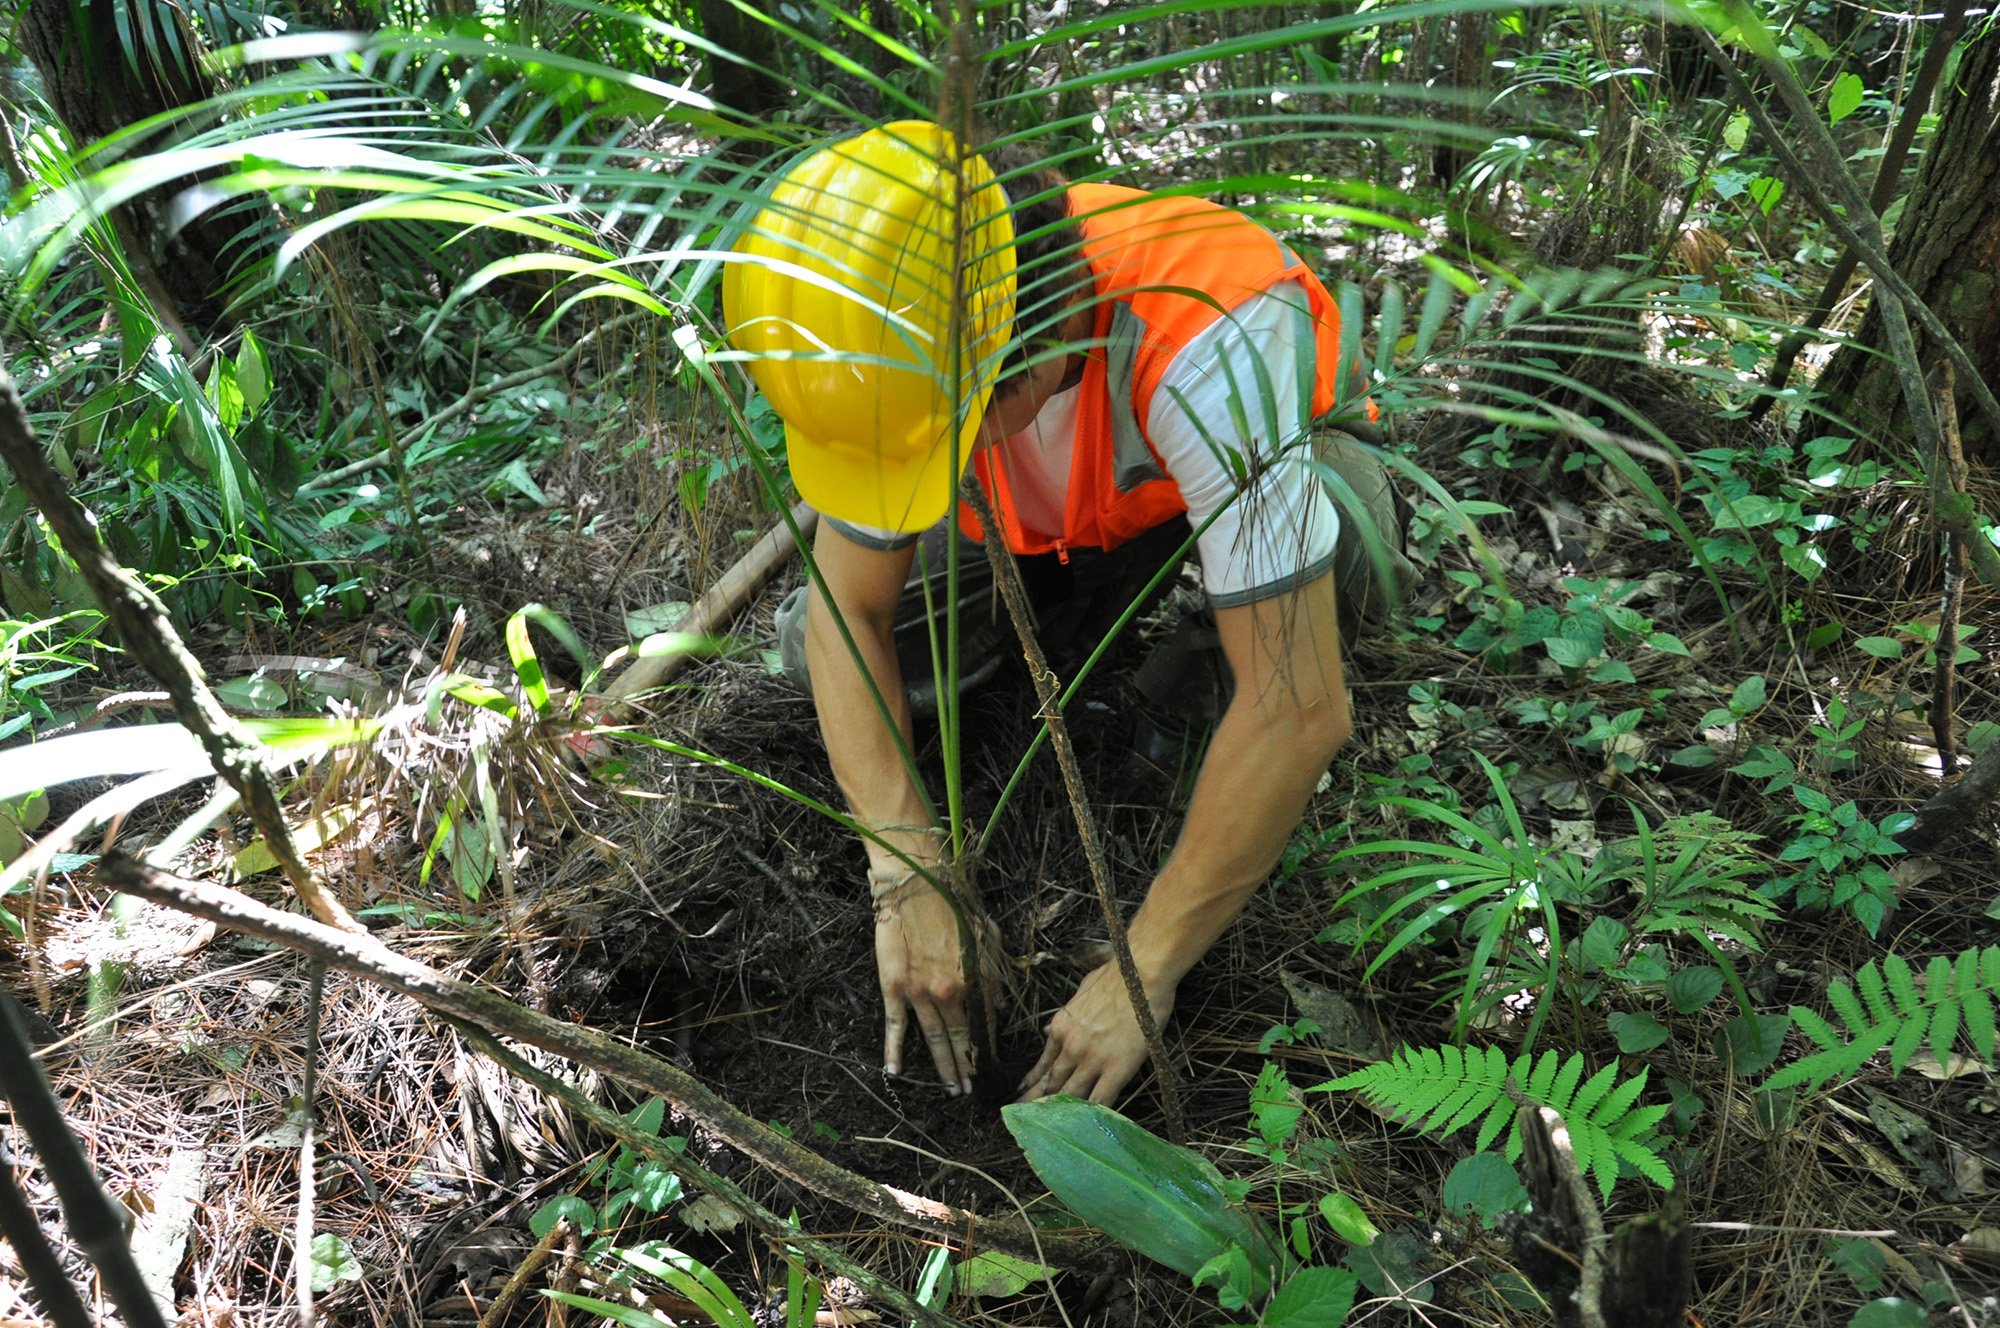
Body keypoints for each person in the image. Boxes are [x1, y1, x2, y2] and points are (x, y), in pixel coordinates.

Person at [723, 121, 1412, 1107]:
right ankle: (1063, 619)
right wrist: (904, 863)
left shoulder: (1208, 333)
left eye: (942, 437)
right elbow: (843, 616)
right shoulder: (881, 322)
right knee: (798, 643)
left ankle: (1175, 688)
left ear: (1039, 358)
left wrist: (1142, 972)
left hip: (1204, 505)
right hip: (1046, 531)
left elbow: (1294, 703)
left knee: (1339, 534)